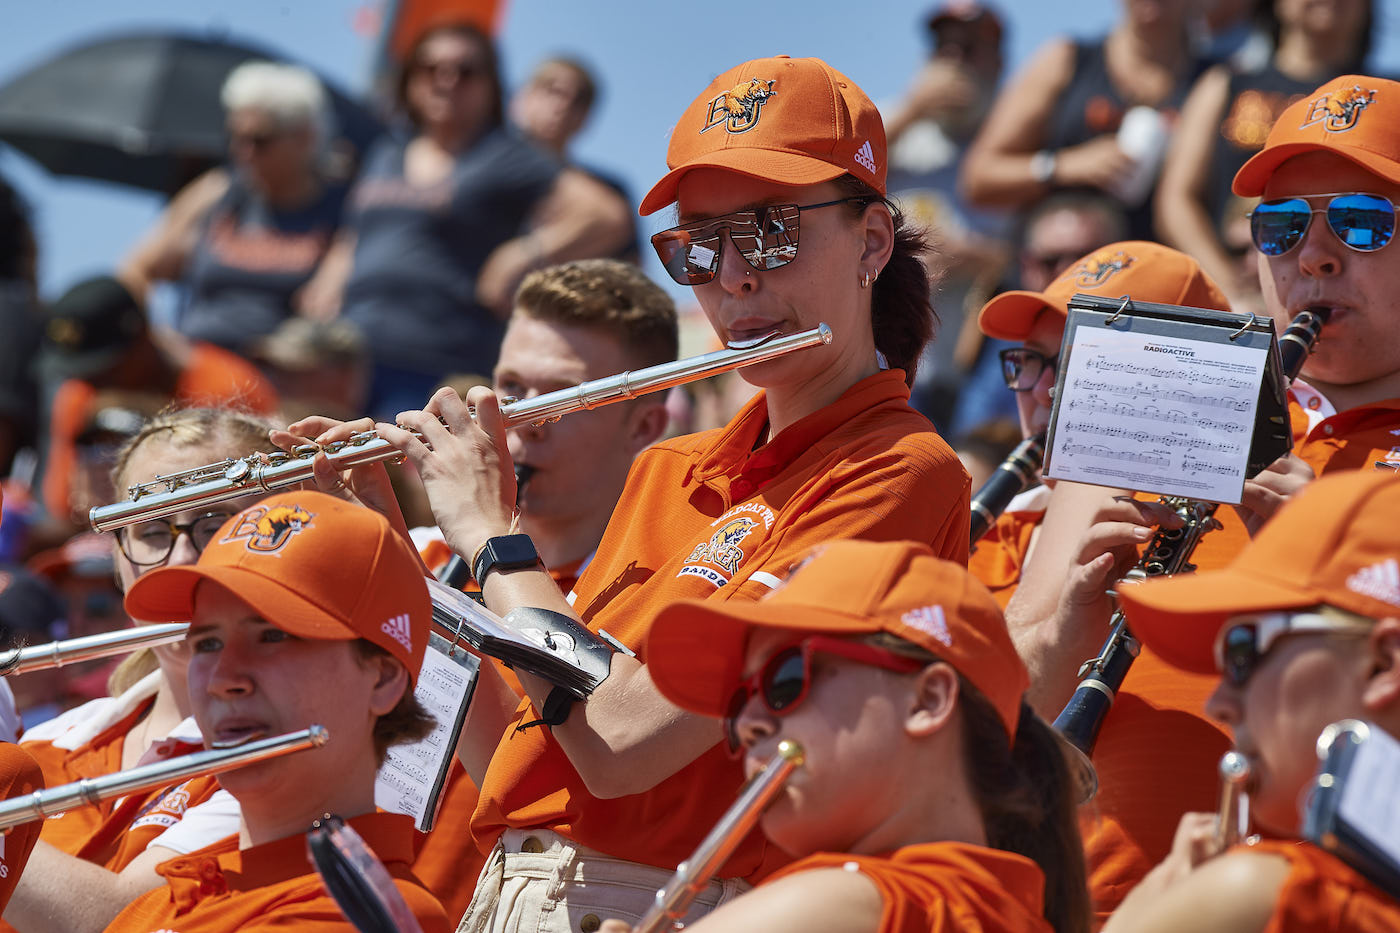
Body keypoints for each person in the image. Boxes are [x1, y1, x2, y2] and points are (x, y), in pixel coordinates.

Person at [295, 53, 970, 932]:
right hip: (519, 891)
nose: (734, 278)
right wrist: (389, 557)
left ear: (872, 242)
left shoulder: (900, 472)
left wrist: (495, 539)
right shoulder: (667, 468)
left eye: (769, 231)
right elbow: (530, 749)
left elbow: (624, 744)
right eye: (698, 246)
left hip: (693, 905)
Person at [603, 538, 1089, 933]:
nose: (747, 723)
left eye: (785, 679)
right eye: (738, 701)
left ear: (927, 700)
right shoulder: (1005, 909)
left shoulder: (832, 903)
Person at [408, 259, 676, 923]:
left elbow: (550, 764)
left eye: (561, 398)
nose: (522, 422)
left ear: (644, 426)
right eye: (509, 387)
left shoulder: (654, 593)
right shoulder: (430, 552)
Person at [106, 490, 448, 932]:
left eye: (272, 636)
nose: (222, 678)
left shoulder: (356, 916)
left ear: (381, 680)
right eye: (207, 643)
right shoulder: (161, 903)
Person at [4, 408, 276, 933]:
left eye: (215, 524)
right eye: (152, 529)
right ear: (117, 558)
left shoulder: (291, 749)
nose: (179, 558)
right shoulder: (51, 739)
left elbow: (115, 918)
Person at [1104, 469, 1400, 932]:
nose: (1219, 703)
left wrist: (1148, 916)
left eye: (1242, 651)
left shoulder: (1264, 895)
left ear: (1384, 664)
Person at [303, 23, 633, 418]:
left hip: (438, 365)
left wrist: (523, 253)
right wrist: (330, 275)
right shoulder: (387, 151)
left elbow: (606, 215)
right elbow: (357, 231)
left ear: (491, 84)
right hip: (348, 358)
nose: (447, 81)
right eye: (430, 68)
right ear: (409, 79)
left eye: (466, 71)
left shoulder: (505, 155)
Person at [1155, 0, 1373, 311]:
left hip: (1348, 294)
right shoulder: (1226, 84)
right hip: (1237, 287)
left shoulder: (1386, 97)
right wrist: (1232, 290)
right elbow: (1175, 200)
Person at [120, 61, 349, 355]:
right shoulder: (216, 192)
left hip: (280, 373)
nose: (244, 152)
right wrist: (154, 337)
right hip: (198, 361)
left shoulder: (339, 211)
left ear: (305, 138)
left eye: (260, 140)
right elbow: (135, 270)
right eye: (236, 138)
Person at [36, 277, 278, 525]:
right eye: (83, 372)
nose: (94, 383)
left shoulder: (228, 387)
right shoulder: (80, 393)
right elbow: (66, 510)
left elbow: (261, 502)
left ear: (142, 337)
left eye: (105, 367)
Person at [959, 0, 1204, 240]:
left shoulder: (1214, 80)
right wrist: (1065, 166)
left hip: (1156, 266)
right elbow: (978, 179)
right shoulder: (1067, 60)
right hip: (1059, 266)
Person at [883, 2, 1013, 429]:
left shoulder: (1012, 138)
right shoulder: (894, 125)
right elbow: (832, 171)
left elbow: (1045, 245)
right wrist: (914, 107)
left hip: (984, 366)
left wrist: (977, 256)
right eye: (944, 49)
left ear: (997, 62)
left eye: (969, 49)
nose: (954, 63)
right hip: (892, 360)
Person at [510, 56, 640, 264]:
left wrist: (523, 256)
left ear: (587, 118)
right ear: (521, 98)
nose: (563, 105)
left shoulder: (609, 190)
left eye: (579, 100)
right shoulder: (480, 170)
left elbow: (632, 273)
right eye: (552, 90)